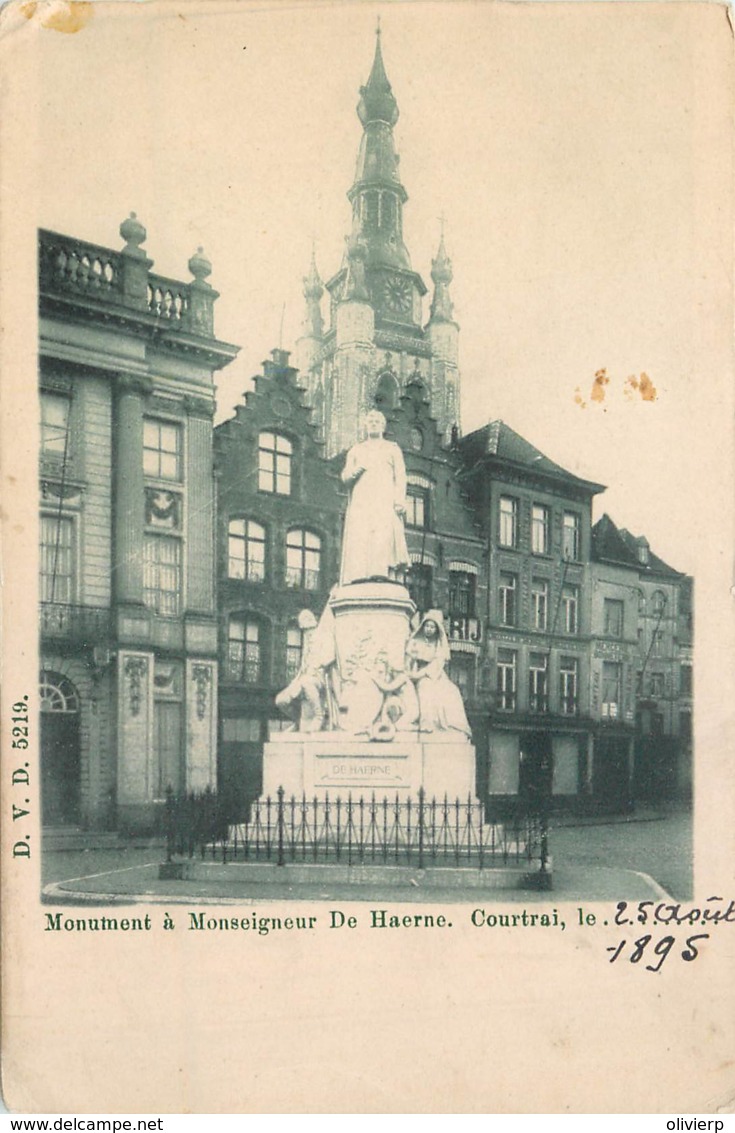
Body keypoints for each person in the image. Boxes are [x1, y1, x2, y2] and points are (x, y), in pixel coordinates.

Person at [339, 409, 410, 585]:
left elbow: (400, 476)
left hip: (383, 500)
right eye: (370, 421)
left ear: (383, 426)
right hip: (362, 501)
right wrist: (354, 472)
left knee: (382, 534)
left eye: (377, 421)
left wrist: (399, 500)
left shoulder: (392, 449)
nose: (373, 423)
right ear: (365, 425)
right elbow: (345, 476)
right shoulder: (356, 450)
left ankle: (380, 571)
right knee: (361, 533)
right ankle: (359, 573)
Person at [406, 610, 472, 739]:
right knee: (424, 688)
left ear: (437, 629)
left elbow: (436, 664)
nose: (429, 629)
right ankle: (426, 722)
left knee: (452, 691)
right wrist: (411, 672)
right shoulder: (415, 641)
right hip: (416, 671)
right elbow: (409, 659)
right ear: (423, 626)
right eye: (427, 626)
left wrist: (420, 674)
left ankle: (454, 725)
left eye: (432, 627)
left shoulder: (439, 645)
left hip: (433, 674)